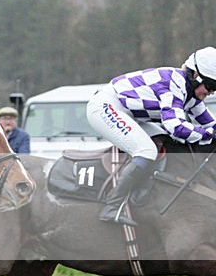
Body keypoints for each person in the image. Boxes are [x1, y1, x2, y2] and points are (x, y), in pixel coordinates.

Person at [86, 46, 216, 227]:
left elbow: (210, 124)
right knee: (146, 150)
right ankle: (112, 206)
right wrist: (209, 134)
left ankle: (142, 191)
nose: (211, 93)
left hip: (129, 113)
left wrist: (211, 132)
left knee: (164, 142)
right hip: (106, 106)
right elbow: (177, 127)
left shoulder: (192, 93)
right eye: (211, 86)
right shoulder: (173, 85)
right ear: (196, 77)